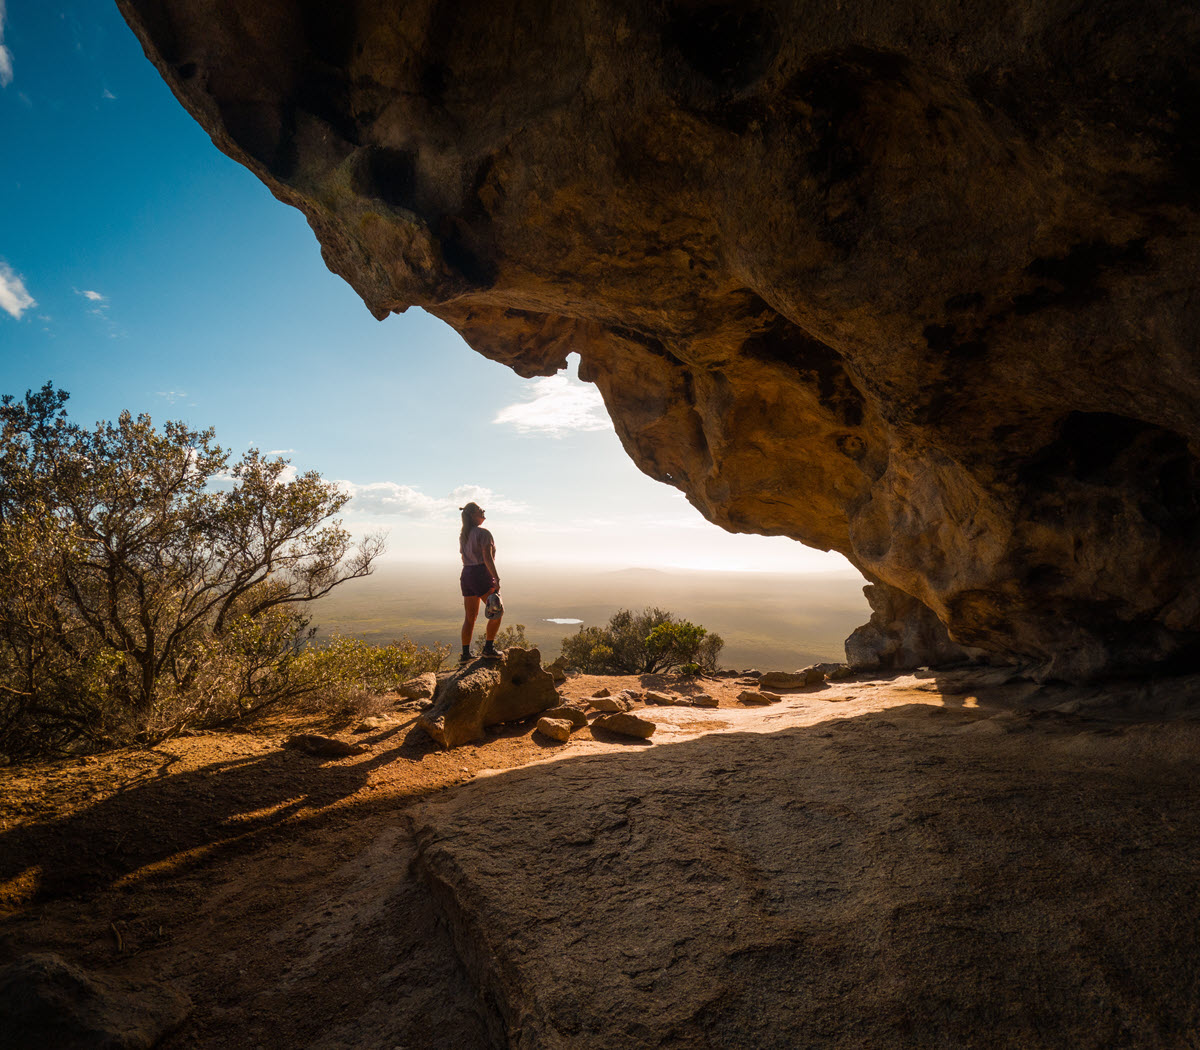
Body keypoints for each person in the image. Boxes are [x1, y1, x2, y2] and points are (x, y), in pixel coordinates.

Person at [458, 501, 502, 661]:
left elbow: (463, 557)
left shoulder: (464, 534)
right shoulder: (483, 533)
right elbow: (488, 558)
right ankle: (488, 649)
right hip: (481, 573)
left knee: (470, 617)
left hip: (467, 574)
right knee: (497, 611)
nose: (483, 511)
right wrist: (495, 578)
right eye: (479, 510)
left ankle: (465, 654)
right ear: (472, 515)